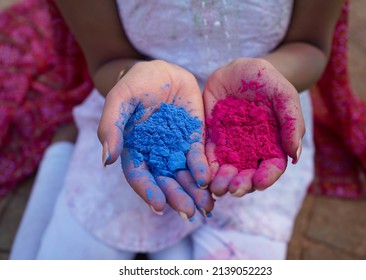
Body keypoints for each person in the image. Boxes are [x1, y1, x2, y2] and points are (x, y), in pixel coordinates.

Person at [10, 0, 345, 260]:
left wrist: (267, 73)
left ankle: (64, 147)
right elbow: (106, 59)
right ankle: (65, 148)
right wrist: (131, 78)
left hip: (259, 110)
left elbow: (310, 45)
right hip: (143, 103)